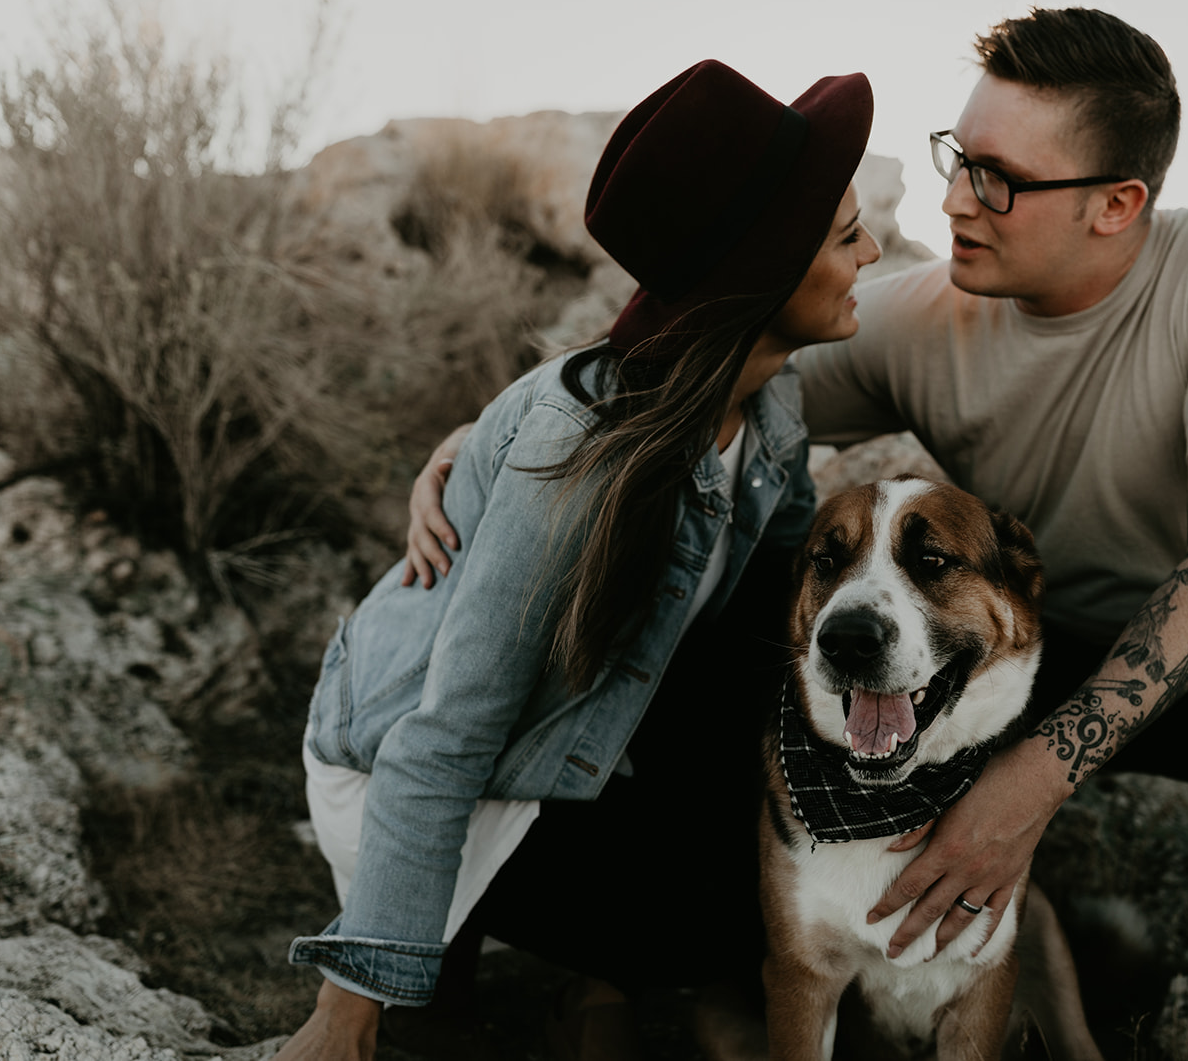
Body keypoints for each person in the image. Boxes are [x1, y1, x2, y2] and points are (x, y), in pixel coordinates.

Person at [412, 9, 1188, 1061]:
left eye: (999, 179)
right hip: (1016, 637)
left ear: (1118, 204)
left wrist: (1023, 784)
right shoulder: (928, 313)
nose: (953, 201)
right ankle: (683, 941)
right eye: (957, 159)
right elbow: (706, 364)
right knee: (746, 616)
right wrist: (495, 434)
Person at [276, 59, 879, 1061]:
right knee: (724, 921)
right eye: (843, 232)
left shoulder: (769, 410)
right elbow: (448, 732)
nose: (870, 250)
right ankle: (448, 951)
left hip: (587, 730)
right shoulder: (579, 461)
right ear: (763, 269)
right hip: (435, 771)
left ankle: (595, 966)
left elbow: (776, 626)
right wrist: (349, 1009)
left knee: (788, 801)